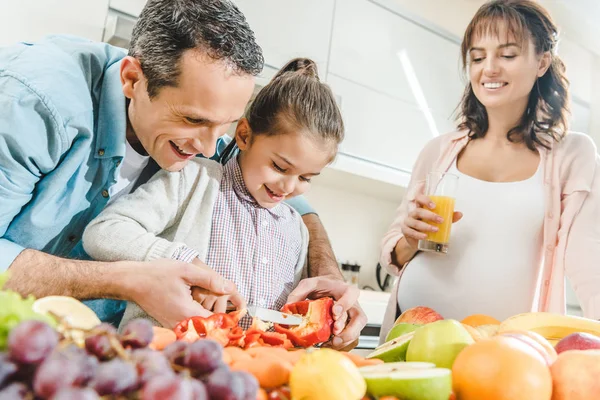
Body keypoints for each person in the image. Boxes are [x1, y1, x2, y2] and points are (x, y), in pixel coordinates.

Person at [0, 0, 365, 348]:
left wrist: (328, 278)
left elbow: (286, 194)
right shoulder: (34, 101)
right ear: (132, 79)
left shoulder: (200, 138)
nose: (209, 150)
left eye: (224, 127)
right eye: (194, 120)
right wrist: (129, 280)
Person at [379, 0, 600, 342]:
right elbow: (393, 252)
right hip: (411, 336)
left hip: (500, 352)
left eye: (507, 55)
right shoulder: (438, 151)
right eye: (478, 57)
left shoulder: (572, 155)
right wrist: (408, 239)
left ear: (542, 61)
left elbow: (590, 264)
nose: (489, 69)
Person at [82, 58, 343, 331]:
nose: (289, 187)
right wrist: (182, 260)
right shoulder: (192, 180)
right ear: (243, 135)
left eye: (305, 178)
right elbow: (104, 232)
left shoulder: (296, 229)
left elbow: (292, 322)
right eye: (279, 167)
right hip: (165, 360)